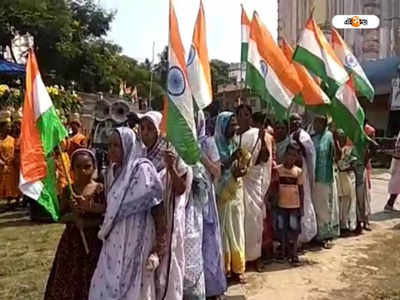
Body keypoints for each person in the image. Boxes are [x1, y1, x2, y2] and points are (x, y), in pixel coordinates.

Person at [89, 128, 163, 300]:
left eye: (117, 145)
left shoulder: (142, 170)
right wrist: (90, 206)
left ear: (128, 146)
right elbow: (112, 209)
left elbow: (158, 210)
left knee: (136, 286)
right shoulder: (110, 173)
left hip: (137, 238)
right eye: (109, 145)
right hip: (114, 239)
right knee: (104, 283)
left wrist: (159, 248)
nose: (111, 150)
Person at [139, 111, 192, 300]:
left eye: (149, 129)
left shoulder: (173, 154)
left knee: (167, 263)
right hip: (146, 221)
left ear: (159, 131)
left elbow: (181, 189)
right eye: (142, 128)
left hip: (167, 220)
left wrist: (170, 167)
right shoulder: (140, 156)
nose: (144, 133)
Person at [45, 149, 105, 300]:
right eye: (78, 167)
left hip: (94, 243)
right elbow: (59, 216)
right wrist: (72, 216)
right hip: (71, 244)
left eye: (87, 167)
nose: (83, 171)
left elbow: (107, 217)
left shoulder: (100, 189)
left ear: (94, 167)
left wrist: (87, 222)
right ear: (71, 169)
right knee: (69, 279)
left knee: (92, 277)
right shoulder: (68, 191)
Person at [235, 105, 270, 272]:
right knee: (238, 222)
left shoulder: (257, 134)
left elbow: (264, 158)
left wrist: (263, 139)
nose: (244, 118)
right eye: (241, 115)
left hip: (253, 182)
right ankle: (240, 259)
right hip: (235, 184)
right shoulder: (233, 136)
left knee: (254, 221)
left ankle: (256, 257)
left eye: (247, 115)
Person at [197, 111, 227, 299]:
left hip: (205, 199)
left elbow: (217, 171)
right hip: (187, 201)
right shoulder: (180, 141)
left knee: (208, 242)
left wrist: (201, 157)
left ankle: (212, 288)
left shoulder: (208, 143)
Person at [214, 112, 246, 283]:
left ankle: (238, 268)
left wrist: (241, 168)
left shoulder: (234, 143)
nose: (235, 128)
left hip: (236, 193)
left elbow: (239, 167)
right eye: (231, 125)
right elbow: (217, 168)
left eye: (235, 125)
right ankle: (225, 269)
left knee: (237, 229)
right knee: (224, 231)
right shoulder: (214, 145)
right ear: (222, 126)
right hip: (221, 194)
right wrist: (230, 159)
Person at [289, 113, 317, 246]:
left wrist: (299, 143)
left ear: (300, 122)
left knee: (304, 201)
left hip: (303, 173)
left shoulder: (304, 136)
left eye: (296, 120)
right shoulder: (290, 136)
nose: (294, 123)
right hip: (292, 174)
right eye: (292, 121)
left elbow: (310, 155)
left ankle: (306, 234)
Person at [312, 115, 340, 248]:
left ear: (324, 124)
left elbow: (337, 156)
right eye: (314, 122)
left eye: (318, 122)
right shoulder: (312, 137)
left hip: (325, 178)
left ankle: (325, 235)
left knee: (324, 207)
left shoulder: (329, 136)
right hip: (313, 177)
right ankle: (315, 233)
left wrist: (336, 141)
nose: (315, 125)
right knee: (315, 206)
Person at [275, 142, 304, 265]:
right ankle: (283, 251)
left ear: (297, 157)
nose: (291, 158)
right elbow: (275, 187)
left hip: (294, 206)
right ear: (285, 155)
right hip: (281, 205)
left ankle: (294, 253)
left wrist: (301, 206)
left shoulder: (298, 172)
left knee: (294, 229)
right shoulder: (278, 170)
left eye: (294, 155)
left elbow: (301, 191)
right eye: (289, 154)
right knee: (282, 228)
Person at [335, 130, 357, 234]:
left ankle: (346, 225)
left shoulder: (349, 150)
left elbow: (353, 164)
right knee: (339, 202)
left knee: (348, 202)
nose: (341, 139)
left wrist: (343, 168)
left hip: (347, 178)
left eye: (342, 137)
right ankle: (340, 224)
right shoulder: (336, 150)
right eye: (338, 137)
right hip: (339, 178)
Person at [0, 112, 20, 208]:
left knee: (13, 183)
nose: (9, 128)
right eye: (7, 126)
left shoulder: (12, 139)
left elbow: (15, 151)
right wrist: (3, 162)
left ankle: (15, 200)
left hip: (12, 165)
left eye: (9, 126)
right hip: (2, 165)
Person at [385, 130, 400, 212]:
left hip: (397, 161)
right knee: (397, 184)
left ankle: (389, 204)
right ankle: (389, 204)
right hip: (398, 162)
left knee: (397, 185)